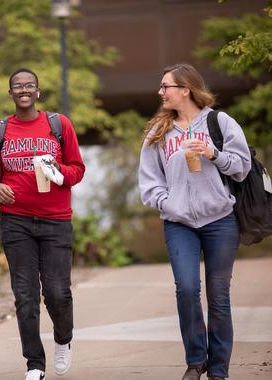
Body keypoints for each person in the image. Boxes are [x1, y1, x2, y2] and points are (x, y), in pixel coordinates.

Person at [138, 63, 251, 380]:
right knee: (186, 289)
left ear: (184, 89)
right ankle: (196, 360)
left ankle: (218, 369)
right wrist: (168, 202)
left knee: (218, 296)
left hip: (220, 221)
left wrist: (213, 154)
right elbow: (149, 183)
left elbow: (242, 168)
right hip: (179, 223)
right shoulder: (158, 132)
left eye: (165, 86)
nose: (160, 92)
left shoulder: (220, 122)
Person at [0, 68, 85, 380]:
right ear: (10, 93)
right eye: (17, 86)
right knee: (25, 296)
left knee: (57, 292)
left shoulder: (58, 125)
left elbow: (78, 168)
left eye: (29, 85)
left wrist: (59, 172)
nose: (24, 90)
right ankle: (34, 365)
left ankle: (63, 339)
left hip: (56, 222)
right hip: (16, 222)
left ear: (38, 92)